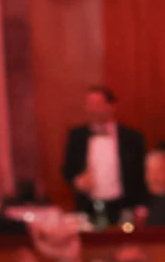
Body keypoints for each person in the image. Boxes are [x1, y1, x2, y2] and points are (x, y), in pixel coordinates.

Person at [60, 85, 147, 221]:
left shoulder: (132, 138)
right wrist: (77, 181)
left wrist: (142, 205)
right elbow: (67, 170)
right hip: (88, 206)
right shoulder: (76, 136)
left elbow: (141, 173)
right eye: (89, 104)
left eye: (98, 104)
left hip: (124, 206)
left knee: (125, 234)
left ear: (112, 107)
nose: (93, 109)